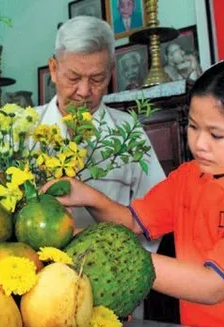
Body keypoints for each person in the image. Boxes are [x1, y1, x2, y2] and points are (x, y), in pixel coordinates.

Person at [43, 58, 224, 327]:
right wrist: (88, 196)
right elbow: (134, 221)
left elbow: (213, 286)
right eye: (193, 127)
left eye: (216, 135)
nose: (199, 144)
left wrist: (108, 253)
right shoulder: (189, 176)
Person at [35, 15, 165, 242]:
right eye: (73, 78)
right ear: (54, 69)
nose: (84, 91)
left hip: (111, 266)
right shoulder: (22, 128)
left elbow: (158, 214)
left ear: (111, 71)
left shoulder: (129, 132)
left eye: (97, 79)